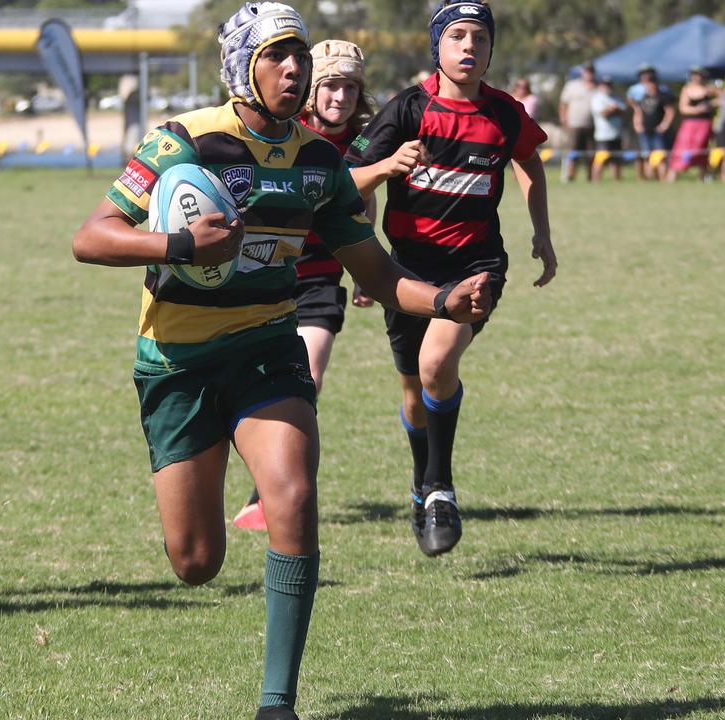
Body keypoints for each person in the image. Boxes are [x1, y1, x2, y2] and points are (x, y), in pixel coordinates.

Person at [71, 4, 490, 717]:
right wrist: (179, 247)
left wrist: (443, 301)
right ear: (243, 67)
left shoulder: (320, 162)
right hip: (177, 363)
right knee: (195, 562)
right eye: (278, 55)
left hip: (268, 348)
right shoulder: (186, 141)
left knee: (291, 495)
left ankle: (277, 703)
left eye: (300, 56)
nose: (295, 69)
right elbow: (92, 236)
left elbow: (380, 277)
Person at [344, 0, 557, 557]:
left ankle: (440, 487)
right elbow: (347, 181)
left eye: (480, 38)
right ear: (436, 45)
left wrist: (542, 233)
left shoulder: (506, 113)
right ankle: (423, 484)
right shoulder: (407, 109)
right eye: (457, 35)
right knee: (415, 392)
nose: (470, 47)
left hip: (475, 265)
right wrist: (386, 167)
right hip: (405, 272)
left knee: (438, 364)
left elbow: (529, 161)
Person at [232, 38, 378, 532]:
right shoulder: (286, 134)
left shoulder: (361, 145)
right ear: (312, 90)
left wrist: (365, 269)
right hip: (269, 275)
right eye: (331, 86)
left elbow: (360, 202)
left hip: (319, 279)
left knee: (306, 379)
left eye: (351, 89)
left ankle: (265, 495)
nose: (340, 98)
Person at [667, 66, 716, 182]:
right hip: (690, 124)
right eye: (695, 74)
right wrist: (699, 109)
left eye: (699, 74)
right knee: (682, 149)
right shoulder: (687, 89)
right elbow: (683, 108)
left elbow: (724, 97)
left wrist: (711, 104)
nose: (697, 77)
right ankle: (672, 177)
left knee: (702, 150)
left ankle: (704, 177)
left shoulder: (709, 89)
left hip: (705, 124)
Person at [628, 64, 674, 181]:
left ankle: (662, 178)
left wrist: (664, 125)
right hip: (645, 130)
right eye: (647, 82)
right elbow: (638, 111)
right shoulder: (642, 97)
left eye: (651, 81)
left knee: (660, 156)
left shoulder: (663, 95)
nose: (649, 84)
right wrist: (637, 124)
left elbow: (670, 112)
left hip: (658, 131)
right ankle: (650, 179)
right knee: (647, 156)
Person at [559, 62, 595, 181]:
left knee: (590, 153)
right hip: (574, 125)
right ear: (582, 72)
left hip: (592, 126)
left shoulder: (597, 87)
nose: (589, 73)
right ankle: (570, 175)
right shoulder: (572, 85)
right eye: (586, 71)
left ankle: (590, 177)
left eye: (591, 71)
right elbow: (563, 103)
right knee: (572, 152)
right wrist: (563, 119)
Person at [590, 76, 625, 181]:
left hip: (616, 134)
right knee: (600, 159)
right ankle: (595, 180)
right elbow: (603, 114)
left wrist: (613, 109)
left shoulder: (616, 98)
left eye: (609, 85)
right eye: (605, 84)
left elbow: (623, 111)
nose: (607, 87)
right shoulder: (597, 98)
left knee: (616, 160)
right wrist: (612, 109)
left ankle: (617, 180)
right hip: (603, 136)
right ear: (600, 86)